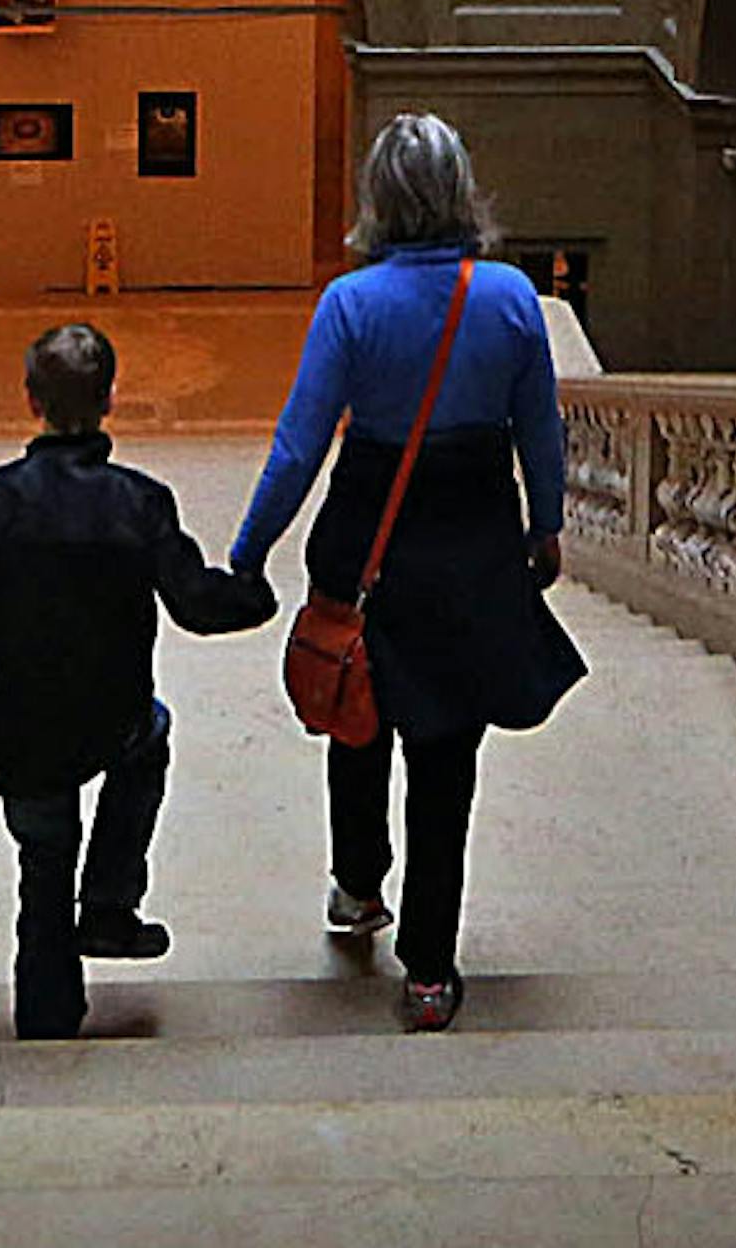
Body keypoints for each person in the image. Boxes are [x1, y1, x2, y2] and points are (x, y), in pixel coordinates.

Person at [230, 112, 586, 1032]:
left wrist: (249, 551)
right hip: (470, 539)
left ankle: (357, 885)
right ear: (463, 192)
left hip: (368, 535)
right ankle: (430, 969)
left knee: (358, 710)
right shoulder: (509, 298)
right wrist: (546, 525)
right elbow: (540, 431)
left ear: (376, 200)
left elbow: (299, 448)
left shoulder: (351, 304)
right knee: (446, 757)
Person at [0, 323, 276, 1041]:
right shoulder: (140, 501)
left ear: (30, 401)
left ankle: (47, 1014)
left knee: (41, 861)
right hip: (112, 720)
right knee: (152, 734)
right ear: (111, 400)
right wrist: (255, 592)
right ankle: (109, 901)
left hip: (16, 734)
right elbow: (195, 605)